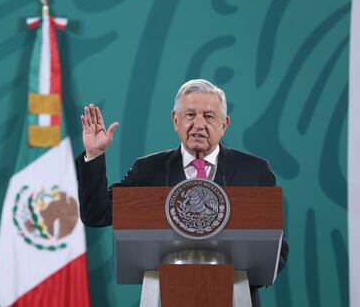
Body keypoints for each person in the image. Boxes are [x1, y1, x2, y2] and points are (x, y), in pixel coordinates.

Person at [76, 79, 288, 306]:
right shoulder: (148, 170)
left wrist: (236, 277)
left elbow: (278, 247)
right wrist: (94, 155)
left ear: (224, 124)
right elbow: (96, 214)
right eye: (190, 115)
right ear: (175, 120)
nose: (198, 124)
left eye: (208, 116)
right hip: (164, 297)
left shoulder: (254, 171)